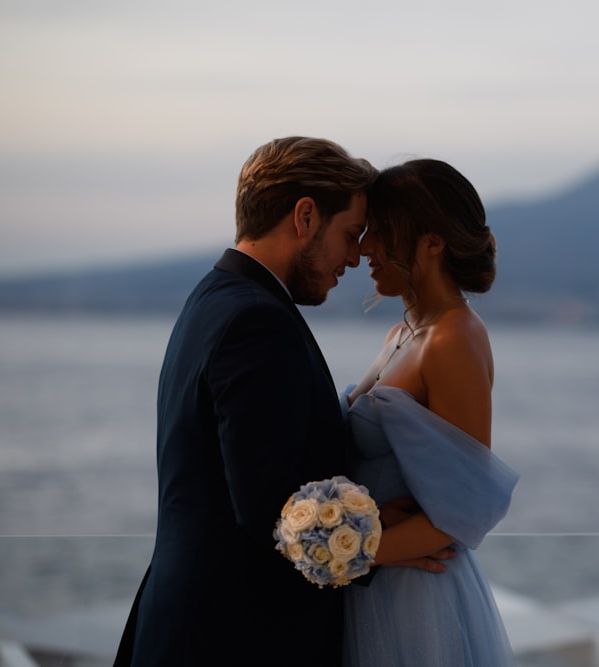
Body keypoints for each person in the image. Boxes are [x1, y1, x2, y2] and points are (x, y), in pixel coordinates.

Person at [114, 136, 381, 666]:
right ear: (305, 216)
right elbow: (273, 510)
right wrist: (390, 541)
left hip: (197, 626)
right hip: (234, 637)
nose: (355, 257)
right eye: (350, 235)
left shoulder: (214, 297)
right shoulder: (256, 323)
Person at [342, 159, 519, 666]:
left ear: (433, 241)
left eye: (381, 232)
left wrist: (346, 554)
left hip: (417, 599)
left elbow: (461, 515)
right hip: (377, 580)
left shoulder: (455, 339)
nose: (365, 248)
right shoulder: (400, 334)